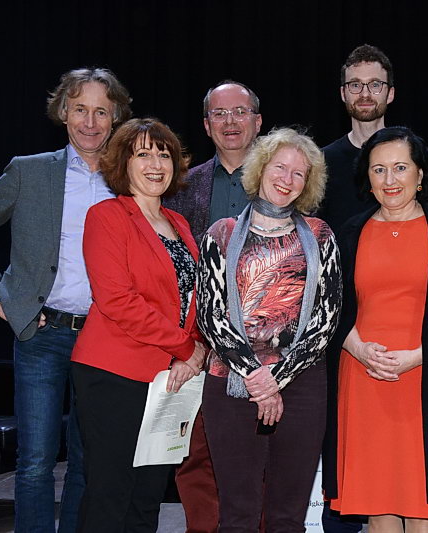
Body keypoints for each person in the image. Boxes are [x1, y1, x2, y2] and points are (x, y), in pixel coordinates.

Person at [0, 67, 132, 533]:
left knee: (87, 460)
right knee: (35, 461)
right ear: (63, 112)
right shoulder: (28, 171)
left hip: (105, 338)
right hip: (41, 334)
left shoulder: (129, 176)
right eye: (80, 109)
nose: (90, 122)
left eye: (101, 112)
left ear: (115, 117)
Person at [324, 126, 428, 533]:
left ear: (420, 174)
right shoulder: (348, 233)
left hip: (427, 383)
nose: (390, 179)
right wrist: (357, 347)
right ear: (367, 177)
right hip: (363, 378)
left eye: (400, 167)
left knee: (421, 504)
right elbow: (330, 309)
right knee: (377, 501)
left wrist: (420, 356)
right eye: (378, 169)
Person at [195, 127, 342, 533]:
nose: (286, 179)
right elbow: (210, 315)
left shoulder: (321, 235)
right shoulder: (220, 233)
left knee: (288, 517)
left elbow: (326, 319)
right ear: (261, 168)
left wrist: (277, 377)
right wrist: (256, 376)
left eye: (298, 173)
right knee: (237, 515)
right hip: (231, 382)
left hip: (302, 384)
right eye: (280, 167)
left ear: (308, 183)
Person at [70, 118, 207, 532]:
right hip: (113, 374)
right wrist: (186, 348)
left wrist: (192, 349)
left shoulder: (179, 223)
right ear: (123, 163)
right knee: (110, 494)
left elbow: (191, 298)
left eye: (164, 154)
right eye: (143, 154)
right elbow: (118, 301)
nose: (155, 164)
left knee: (147, 497)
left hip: (168, 379)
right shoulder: (107, 216)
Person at [162, 79, 263, 533]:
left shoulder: (285, 179)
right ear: (206, 125)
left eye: (240, 112)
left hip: (267, 341)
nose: (230, 121)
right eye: (219, 114)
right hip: (201, 339)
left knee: (262, 454)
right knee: (196, 456)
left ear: (257, 122)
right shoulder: (183, 185)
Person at [317, 44, 395, 234]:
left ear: (390, 94)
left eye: (375, 85)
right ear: (343, 93)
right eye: (355, 85)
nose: (365, 94)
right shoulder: (321, 162)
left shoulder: (410, 158)